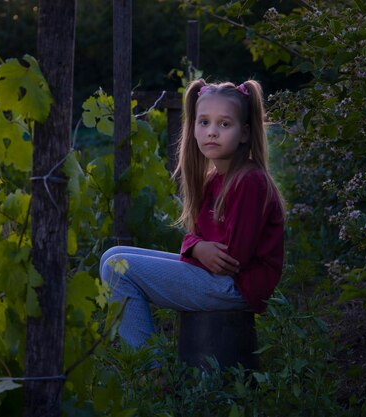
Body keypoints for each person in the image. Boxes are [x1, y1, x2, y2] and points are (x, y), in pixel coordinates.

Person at [99, 79, 284, 349]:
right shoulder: (214, 180)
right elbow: (198, 239)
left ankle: (150, 370)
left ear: (244, 133)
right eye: (204, 122)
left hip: (237, 286)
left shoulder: (249, 181)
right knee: (112, 257)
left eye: (224, 124)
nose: (212, 132)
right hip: (220, 279)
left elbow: (230, 261)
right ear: (193, 128)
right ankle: (148, 362)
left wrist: (196, 247)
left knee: (119, 272)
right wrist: (195, 247)